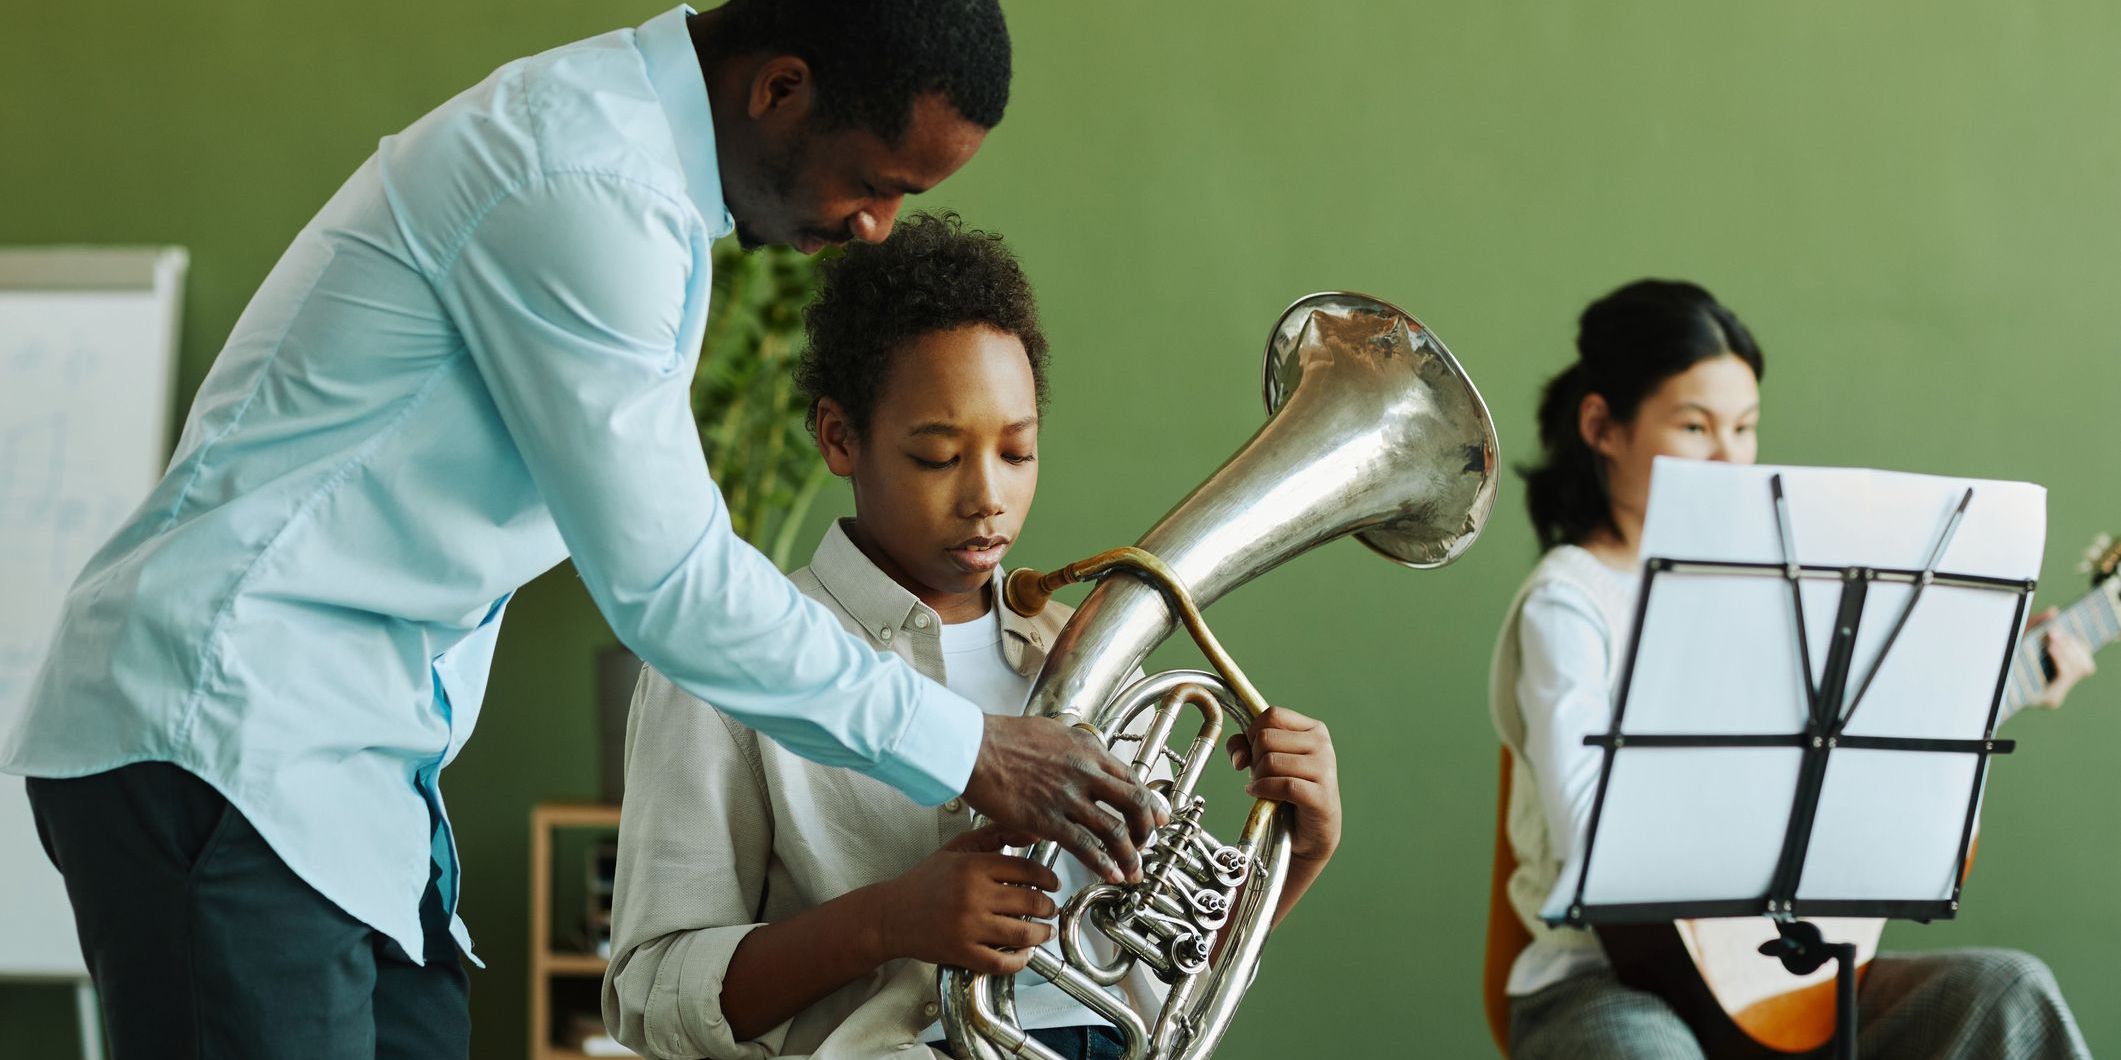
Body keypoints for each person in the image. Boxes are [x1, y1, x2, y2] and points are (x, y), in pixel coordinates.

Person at [3, 5, 1158, 1057]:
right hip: (227, 736)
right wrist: (974, 745)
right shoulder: (587, 182)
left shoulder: (629, 173)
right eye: (874, 179)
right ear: (779, 90)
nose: (875, 228)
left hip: (344, 772)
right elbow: (672, 585)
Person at [604, 212, 1344, 1059]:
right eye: (937, 456)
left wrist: (1301, 850)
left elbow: (1164, 970)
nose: (986, 496)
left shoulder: (1089, 654)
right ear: (839, 438)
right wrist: (888, 920)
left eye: (1017, 453)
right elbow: (652, 999)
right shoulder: (731, 666)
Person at [1491, 279, 2096, 1059]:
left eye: (1743, 428)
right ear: (1602, 427)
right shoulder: (1569, 600)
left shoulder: (1778, 588)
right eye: (1694, 426)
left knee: (2006, 992)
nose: (1728, 457)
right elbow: (1591, 834)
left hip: (1773, 982)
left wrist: (1980, 689)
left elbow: (1843, 749)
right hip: (1601, 983)